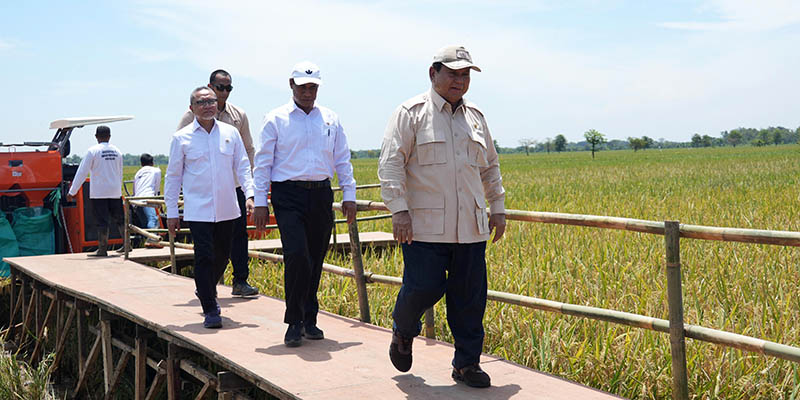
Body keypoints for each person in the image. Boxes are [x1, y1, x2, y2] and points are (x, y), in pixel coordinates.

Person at [378, 45, 506, 388]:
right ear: (433, 73)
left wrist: (498, 207)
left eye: (465, 75)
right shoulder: (411, 112)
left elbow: (490, 165)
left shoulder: (476, 116)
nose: (459, 81)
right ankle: (403, 330)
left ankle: (467, 364)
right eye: (452, 73)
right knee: (423, 286)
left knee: (469, 298)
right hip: (424, 227)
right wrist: (399, 210)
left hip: (471, 226)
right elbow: (391, 163)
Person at [253, 61, 357, 347]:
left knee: (315, 258)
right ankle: (294, 321)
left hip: (321, 194)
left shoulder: (330, 118)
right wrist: (260, 201)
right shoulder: (275, 119)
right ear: (291, 85)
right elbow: (263, 162)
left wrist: (349, 194)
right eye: (303, 86)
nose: (308, 92)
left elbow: (342, 159)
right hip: (288, 195)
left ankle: (310, 318)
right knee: (297, 255)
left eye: (313, 87)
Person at [165, 87, 255, 329]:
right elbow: (173, 177)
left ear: (217, 105)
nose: (207, 106)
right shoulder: (182, 138)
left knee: (223, 255)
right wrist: (172, 212)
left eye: (211, 101)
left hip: (228, 207)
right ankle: (210, 307)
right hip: (199, 209)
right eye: (201, 102)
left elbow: (243, 166)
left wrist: (251, 195)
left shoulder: (230, 133)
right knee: (204, 256)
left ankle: (204, 287)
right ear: (192, 108)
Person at [178, 69, 259, 297]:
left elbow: (248, 150)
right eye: (220, 87)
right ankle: (207, 284)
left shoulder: (238, 116)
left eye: (228, 88)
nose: (224, 92)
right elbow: (180, 153)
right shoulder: (190, 115)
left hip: (233, 187)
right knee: (206, 243)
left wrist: (249, 185)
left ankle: (240, 280)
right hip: (204, 190)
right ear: (210, 87)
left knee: (238, 234)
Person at [67, 125, 124, 257]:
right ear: (109, 136)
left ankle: (102, 249)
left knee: (102, 220)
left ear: (96, 137)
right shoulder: (117, 151)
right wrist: (118, 188)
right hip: (115, 191)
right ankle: (127, 245)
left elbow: (82, 172)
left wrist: (72, 191)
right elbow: (119, 172)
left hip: (99, 192)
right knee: (120, 219)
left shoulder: (93, 151)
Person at [133, 153, 161, 242]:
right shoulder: (156, 170)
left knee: (144, 223)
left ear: (141, 164)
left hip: (136, 200)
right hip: (148, 197)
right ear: (152, 163)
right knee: (153, 219)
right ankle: (152, 240)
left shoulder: (138, 173)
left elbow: (134, 189)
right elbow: (156, 187)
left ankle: (146, 241)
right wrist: (157, 200)